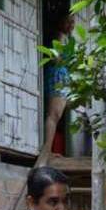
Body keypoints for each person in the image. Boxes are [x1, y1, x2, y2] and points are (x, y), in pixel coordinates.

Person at [38, 14, 76, 163]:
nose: (71, 25)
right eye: (69, 21)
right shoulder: (60, 36)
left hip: (64, 78)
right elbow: (55, 58)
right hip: (58, 76)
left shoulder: (68, 39)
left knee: (58, 115)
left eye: (73, 22)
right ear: (62, 22)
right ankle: (46, 151)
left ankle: (51, 150)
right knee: (53, 115)